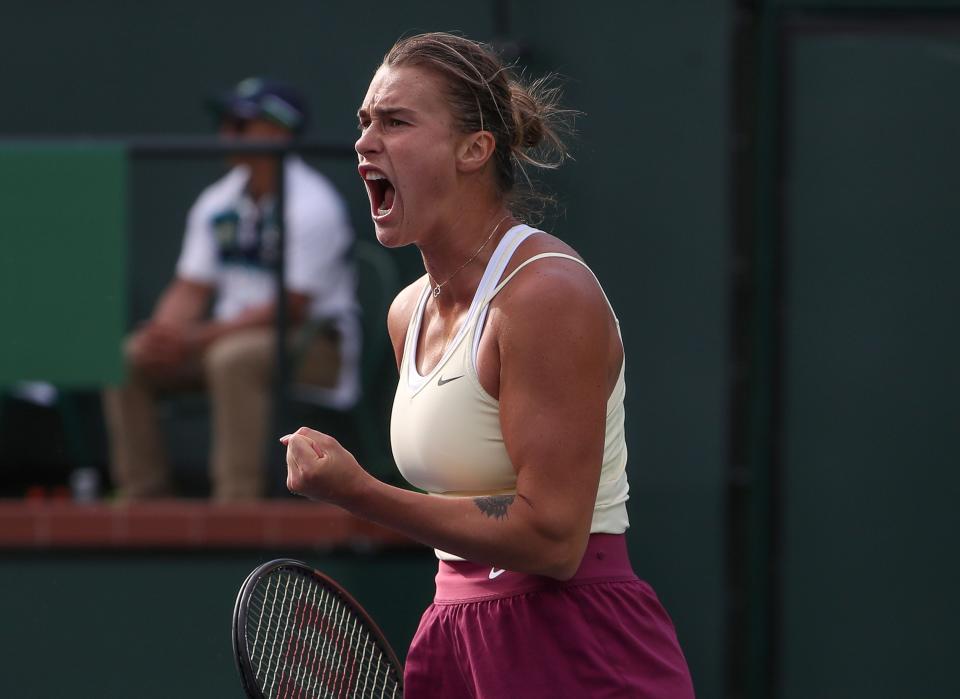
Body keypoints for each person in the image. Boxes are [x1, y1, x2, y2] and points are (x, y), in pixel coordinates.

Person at [282, 33, 695, 697]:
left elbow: (553, 535)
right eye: (364, 122)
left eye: (395, 121)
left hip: (577, 642)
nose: (364, 141)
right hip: (456, 634)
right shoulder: (406, 312)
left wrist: (360, 493)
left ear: (475, 149)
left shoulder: (545, 295)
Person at [105, 77, 358, 502]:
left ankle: (236, 503)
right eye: (226, 122)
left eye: (240, 124)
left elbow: (291, 307)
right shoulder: (217, 200)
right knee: (131, 357)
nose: (226, 134)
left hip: (314, 345)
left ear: (277, 133)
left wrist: (196, 338)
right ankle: (142, 495)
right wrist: (164, 333)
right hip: (227, 336)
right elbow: (189, 287)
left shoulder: (314, 202)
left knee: (232, 359)